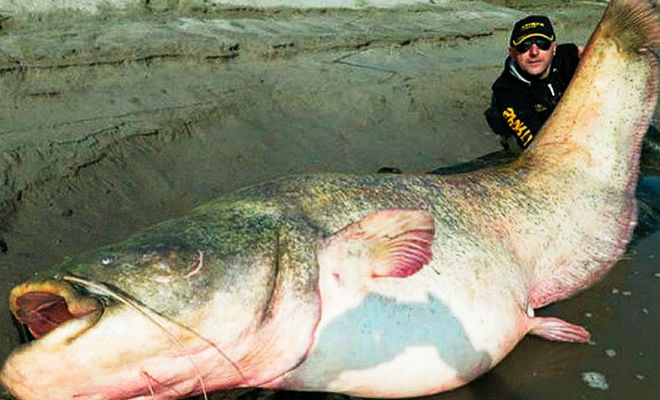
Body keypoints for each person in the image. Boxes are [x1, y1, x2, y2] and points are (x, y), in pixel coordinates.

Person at [484, 15, 584, 153]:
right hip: (531, 132)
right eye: (524, 46)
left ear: (554, 48)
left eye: (542, 43)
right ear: (512, 53)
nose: (534, 52)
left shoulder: (570, 56)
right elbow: (535, 146)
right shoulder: (506, 92)